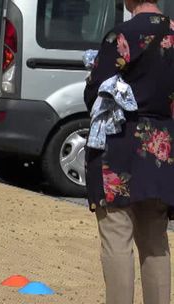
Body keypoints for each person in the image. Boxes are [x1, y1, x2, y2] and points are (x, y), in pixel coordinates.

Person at [84, 0, 174, 303]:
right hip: (161, 147)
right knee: (155, 241)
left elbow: (96, 91)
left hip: (118, 147)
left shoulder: (121, 36)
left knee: (116, 239)